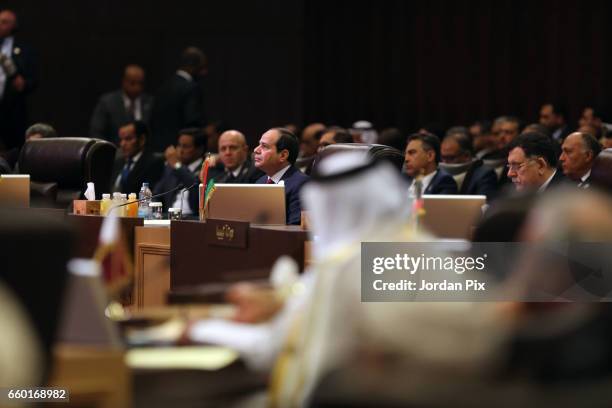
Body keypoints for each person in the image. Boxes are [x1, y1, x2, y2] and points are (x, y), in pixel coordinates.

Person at [150, 47, 207, 152]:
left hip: (157, 148)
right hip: (180, 150)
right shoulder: (191, 88)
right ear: (192, 66)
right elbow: (192, 123)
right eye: (201, 67)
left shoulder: (163, 86)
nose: (204, 72)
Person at [254, 127, 309, 225]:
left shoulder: (302, 184)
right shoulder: (260, 182)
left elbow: (295, 228)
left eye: (264, 146)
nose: (256, 150)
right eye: (259, 145)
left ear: (283, 155)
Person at [0, 9, 37, 151]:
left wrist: (23, 84)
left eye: (4, 22)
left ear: (13, 26)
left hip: (11, 111)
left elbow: (33, 79)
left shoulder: (24, 50)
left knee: (12, 150)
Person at [89, 64, 153, 142]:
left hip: (144, 152)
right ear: (124, 81)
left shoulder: (150, 103)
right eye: (132, 83)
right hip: (115, 151)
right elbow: (96, 132)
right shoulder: (107, 103)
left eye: (140, 83)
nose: (137, 87)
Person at [154, 128, 206, 215]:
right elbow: (156, 195)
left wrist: (178, 166)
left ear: (200, 149)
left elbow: (196, 191)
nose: (180, 150)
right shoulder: (171, 168)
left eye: (185, 147)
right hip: (169, 219)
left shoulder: (206, 169)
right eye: (179, 145)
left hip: (194, 221)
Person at [440, 130, 498, 199]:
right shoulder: (438, 173)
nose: (445, 162)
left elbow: (485, 203)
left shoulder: (485, 175)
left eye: (450, 158)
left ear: (466, 156)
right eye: (443, 157)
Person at [110, 121, 164, 194]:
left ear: (142, 139)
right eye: (121, 139)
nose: (122, 144)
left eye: (128, 139)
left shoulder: (153, 163)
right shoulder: (118, 162)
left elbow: (149, 195)